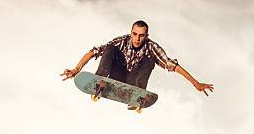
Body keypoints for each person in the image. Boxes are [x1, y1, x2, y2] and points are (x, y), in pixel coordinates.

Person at [61, 20, 214, 103]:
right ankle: (99, 80)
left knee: (150, 59)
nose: (137, 38)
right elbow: (93, 52)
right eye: (135, 34)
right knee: (109, 48)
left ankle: (137, 91)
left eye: (141, 35)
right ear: (131, 32)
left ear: (146, 35)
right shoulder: (121, 40)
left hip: (134, 80)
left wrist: (196, 83)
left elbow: (172, 66)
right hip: (114, 75)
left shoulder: (151, 46)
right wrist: (76, 69)